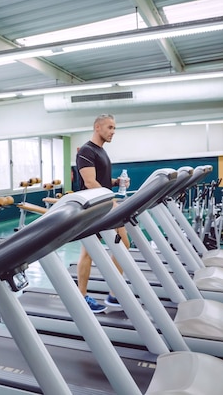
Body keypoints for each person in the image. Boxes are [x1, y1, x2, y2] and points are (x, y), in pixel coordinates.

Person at [75, 113, 131, 313]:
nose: (113, 132)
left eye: (114, 128)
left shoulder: (101, 152)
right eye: (109, 127)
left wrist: (116, 182)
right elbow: (90, 183)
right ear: (97, 127)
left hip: (103, 207)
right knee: (88, 252)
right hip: (93, 208)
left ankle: (114, 293)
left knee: (123, 244)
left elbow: (100, 179)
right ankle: (81, 296)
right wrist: (112, 202)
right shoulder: (86, 151)